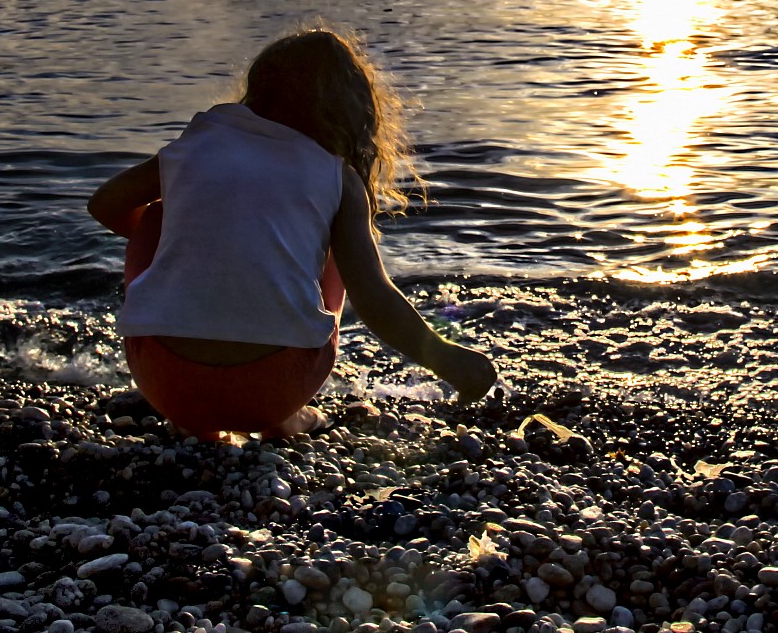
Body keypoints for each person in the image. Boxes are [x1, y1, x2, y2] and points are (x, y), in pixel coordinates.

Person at [88, 27, 497, 438]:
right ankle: (286, 419)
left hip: (166, 381)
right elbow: (373, 298)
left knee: (159, 217)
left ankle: (200, 420)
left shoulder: (198, 144)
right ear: (351, 109)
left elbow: (104, 204)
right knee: (338, 254)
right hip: (274, 388)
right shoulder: (336, 176)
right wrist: (446, 359)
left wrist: (181, 245)